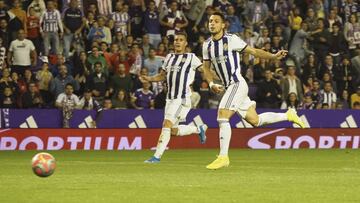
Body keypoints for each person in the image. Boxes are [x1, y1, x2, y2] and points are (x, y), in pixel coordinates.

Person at [201, 12, 305, 170]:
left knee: (222, 116)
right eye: (210, 21)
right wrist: (210, 84)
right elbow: (206, 69)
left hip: (237, 83)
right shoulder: (206, 46)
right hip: (230, 87)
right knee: (255, 121)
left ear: (223, 25)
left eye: (216, 21)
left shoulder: (232, 39)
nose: (212, 24)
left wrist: (273, 56)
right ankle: (288, 115)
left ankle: (223, 157)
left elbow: (254, 52)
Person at [142, 32, 207, 163]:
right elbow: (162, 76)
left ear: (186, 43)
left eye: (181, 40)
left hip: (182, 98)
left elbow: (205, 70)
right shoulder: (169, 57)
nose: (177, 42)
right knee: (171, 130)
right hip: (170, 99)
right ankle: (198, 129)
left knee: (166, 124)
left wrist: (216, 80)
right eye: (176, 40)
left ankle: (156, 157)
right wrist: (149, 78)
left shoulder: (191, 57)